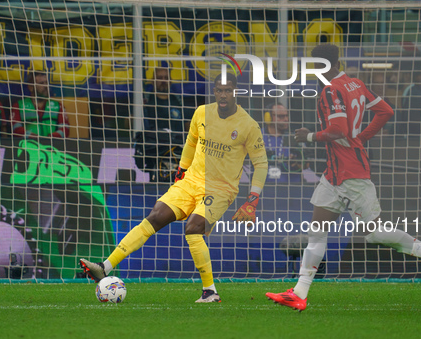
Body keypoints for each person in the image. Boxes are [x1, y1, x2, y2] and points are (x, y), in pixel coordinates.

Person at [266, 44, 421, 312]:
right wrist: (363, 137)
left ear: (323, 65)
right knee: (317, 231)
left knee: (373, 233)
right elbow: (386, 111)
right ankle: (299, 293)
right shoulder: (355, 83)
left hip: (351, 173)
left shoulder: (331, 90)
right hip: (334, 173)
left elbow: (337, 129)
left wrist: (308, 136)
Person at [80, 73, 268, 303]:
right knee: (155, 217)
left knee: (193, 228)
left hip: (220, 190)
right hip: (190, 181)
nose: (223, 95)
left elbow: (261, 163)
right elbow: (191, 142)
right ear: (214, 91)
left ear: (235, 92)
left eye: (228, 90)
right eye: (219, 90)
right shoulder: (202, 112)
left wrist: (252, 199)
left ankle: (210, 291)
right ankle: (105, 266)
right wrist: (181, 170)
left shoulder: (248, 125)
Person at [134, 67, 187, 182]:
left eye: (166, 78)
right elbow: (131, 123)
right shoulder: (146, 102)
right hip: (156, 154)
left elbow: (188, 124)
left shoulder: (179, 102)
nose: (163, 80)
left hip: (179, 153)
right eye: (159, 78)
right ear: (153, 81)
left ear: (170, 81)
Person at [10, 70, 69, 139]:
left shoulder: (58, 106)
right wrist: (35, 138)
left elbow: (65, 129)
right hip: (29, 147)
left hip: (52, 147)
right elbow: (16, 129)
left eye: (47, 83)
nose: (46, 86)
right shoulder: (18, 105)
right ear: (31, 87)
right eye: (42, 83)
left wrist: (49, 138)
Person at [262, 103, 304, 182]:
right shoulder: (257, 136)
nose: (285, 119)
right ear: (268, 118)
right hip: (263, 188)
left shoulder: (295, 138)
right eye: (281, 116)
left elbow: (306, 164)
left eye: (286, 116)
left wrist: (296, 162)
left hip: (291, 187)